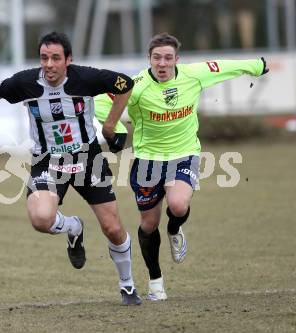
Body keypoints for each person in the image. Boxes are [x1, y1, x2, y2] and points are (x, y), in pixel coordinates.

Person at [0, 32, 142, 305]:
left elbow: (126, 84)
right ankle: (73, 227)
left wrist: (109, 125)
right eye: (44, 58)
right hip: (47, 161)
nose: (49, 64)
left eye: (55, 58)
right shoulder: (26, 82)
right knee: (40, 219)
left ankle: (128, 285)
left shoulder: (86, 78)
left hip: (87, 159)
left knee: (112, 228)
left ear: (68, 60)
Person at [97, 32, 269, 301]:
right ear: (149, 59)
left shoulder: (193, 75)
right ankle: (156, 281)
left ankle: (175, 229)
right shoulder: (137, 85)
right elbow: (101, 100)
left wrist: (256, 66)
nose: (162, 64)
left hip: (184, 154)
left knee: (178, 206)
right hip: (147, 160)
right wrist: (116, 128)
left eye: (168, 58)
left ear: (177, 59)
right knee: (149, 224)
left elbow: (225, 67)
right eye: (157, 58)